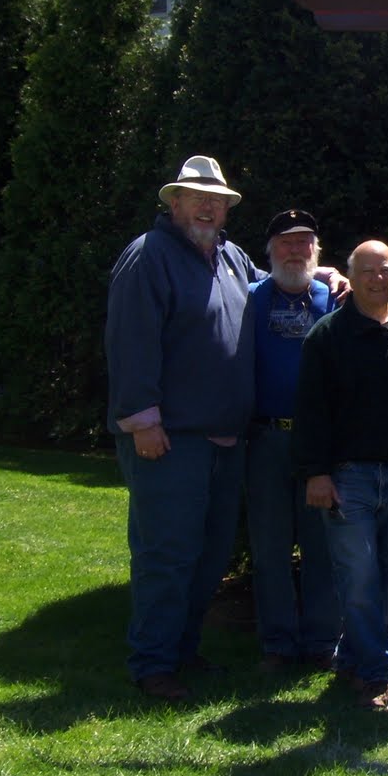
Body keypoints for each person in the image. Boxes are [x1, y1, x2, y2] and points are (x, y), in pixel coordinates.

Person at [104, 154, 345, 704]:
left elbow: (276, 280)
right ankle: (153, 664)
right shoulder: (149, 256)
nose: (208, 208)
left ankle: (183, 651)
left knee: (209, 555)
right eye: (197, 199)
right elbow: (131, 342)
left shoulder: (229, 259)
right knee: (167, 553)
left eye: (217, 201)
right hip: (170, 437)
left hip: (226, 440)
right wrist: (142, 421)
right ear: (174, 203)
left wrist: (326, 274)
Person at [294, 240, 388, 710]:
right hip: (347, 478)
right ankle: (378, 673)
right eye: (368, 271)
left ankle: (352, 655)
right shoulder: (327, 336)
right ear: (351, 277)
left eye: (386, 270)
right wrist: (316, 473)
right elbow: (311, 411)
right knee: (358, 576)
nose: (378, 279)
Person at [244, 209, 340, 672]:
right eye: (286, 242)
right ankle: (278, 643)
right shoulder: (250, 298)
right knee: (269, 547)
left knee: (322, 545)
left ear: (316, 251)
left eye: (305, 242)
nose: (296, 251)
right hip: (265, 439)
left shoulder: (335, 297)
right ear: (270, 250)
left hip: (318, 442)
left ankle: (322, 640)